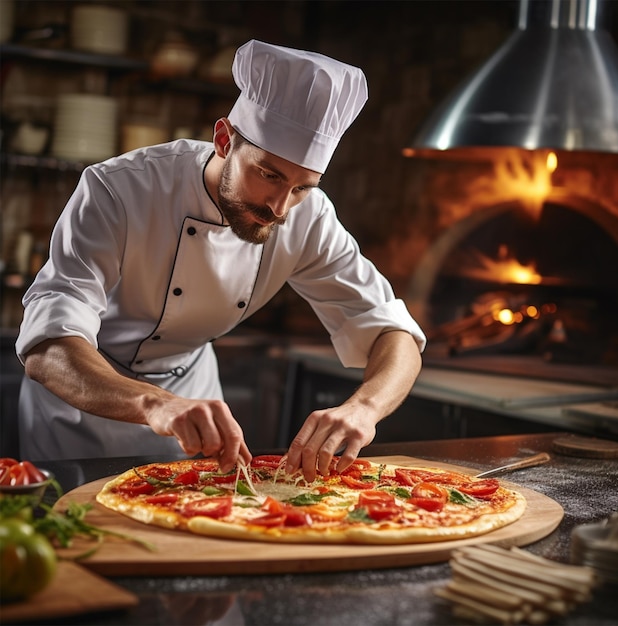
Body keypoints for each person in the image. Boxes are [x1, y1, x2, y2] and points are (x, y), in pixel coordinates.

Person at [15, 40, 426, 481]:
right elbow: (48, 348)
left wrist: (364, 409)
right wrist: (155, 403)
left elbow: (392, 330)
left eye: (303, 186)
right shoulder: (118, 190)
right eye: (268, 175)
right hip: (80, 417)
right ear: (224, 140)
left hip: (194, 412)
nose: (280, 207)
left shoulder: (308, 216)